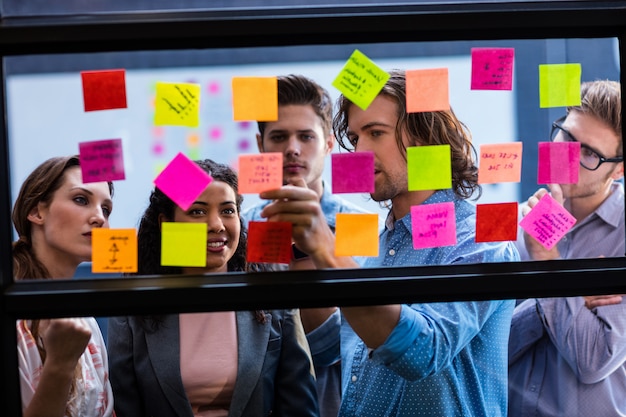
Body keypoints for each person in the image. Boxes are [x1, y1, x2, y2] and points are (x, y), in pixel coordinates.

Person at [256, 69, 520, 416]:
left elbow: (422, 352)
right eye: (354, 137)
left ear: (425, 138)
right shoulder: (373, 244)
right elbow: (332, 351)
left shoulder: (485, 238)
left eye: (375, 133)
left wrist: (327, 251)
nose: (360, 152)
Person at [107, 158, 319, 417]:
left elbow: (299, 404)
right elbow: (126, 404)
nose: (217, 224)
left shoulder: (268, 287)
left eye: (228, 211)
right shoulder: (135, 299)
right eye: (198, 211)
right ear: (166, 223)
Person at [242, 73, 373, 417]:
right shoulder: (239, 229)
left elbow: (361, 338)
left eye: (306, 136)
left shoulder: (361, 226)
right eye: (279, 136)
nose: (292, 149)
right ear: (260, 144)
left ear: (329, 143)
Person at [508, 79, 626, 416]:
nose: (570, 156)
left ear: (619, 169)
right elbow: (484, 352)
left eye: (589, 152)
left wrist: (546, 260)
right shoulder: (516, 223)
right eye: (568, 137)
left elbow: (593, 360)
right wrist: (570, 294)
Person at [12, 155, 115, 417]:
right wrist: (60, 363)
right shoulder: (12, 311)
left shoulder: (87, 321)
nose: (99, 218)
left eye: (106, 209)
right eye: (81, 200)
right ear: (36, 212)